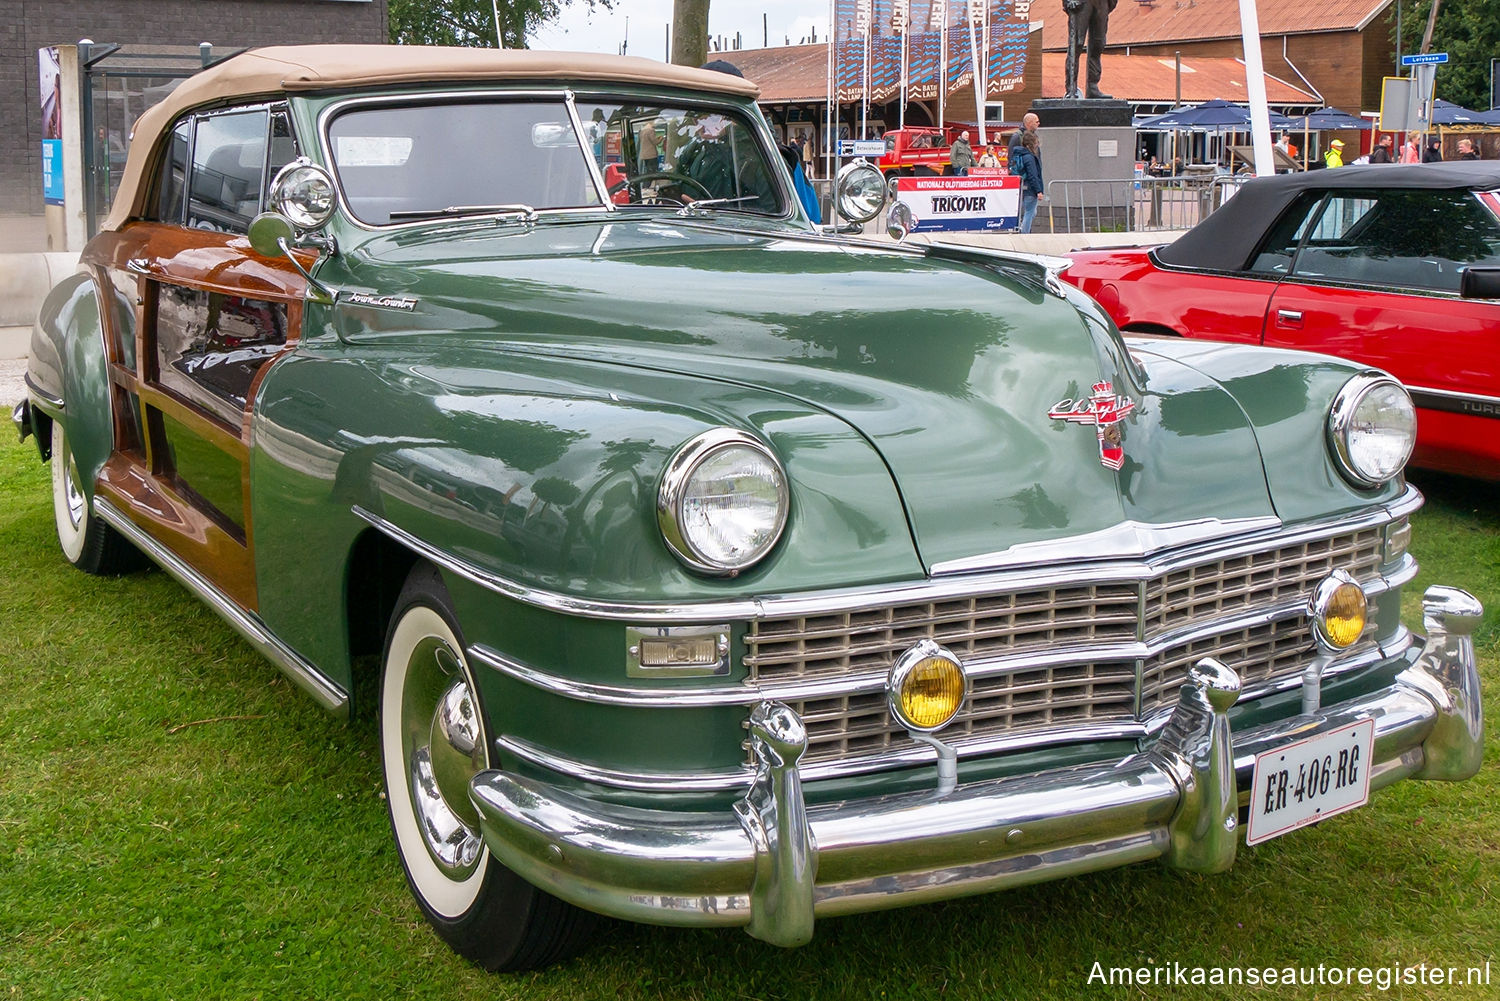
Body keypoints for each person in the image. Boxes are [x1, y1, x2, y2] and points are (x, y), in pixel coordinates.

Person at [1063, 0, 1119, 99]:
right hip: (1081, 2)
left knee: (1098, 45)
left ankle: (1092, 87)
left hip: (1102, 3)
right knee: (1076, 45)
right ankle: (1071, 88)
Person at [1013, 129, 1045, 234]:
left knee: (1031, 211)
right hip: (1031, 189)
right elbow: (1033, 175)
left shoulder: (1018, 155)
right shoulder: (1030, 158)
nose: (1037, 146)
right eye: (1036, 143)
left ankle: (1021, 228)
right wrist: (1038, 191)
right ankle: (1024, 233)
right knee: (1030, 212)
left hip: (1021, 187)